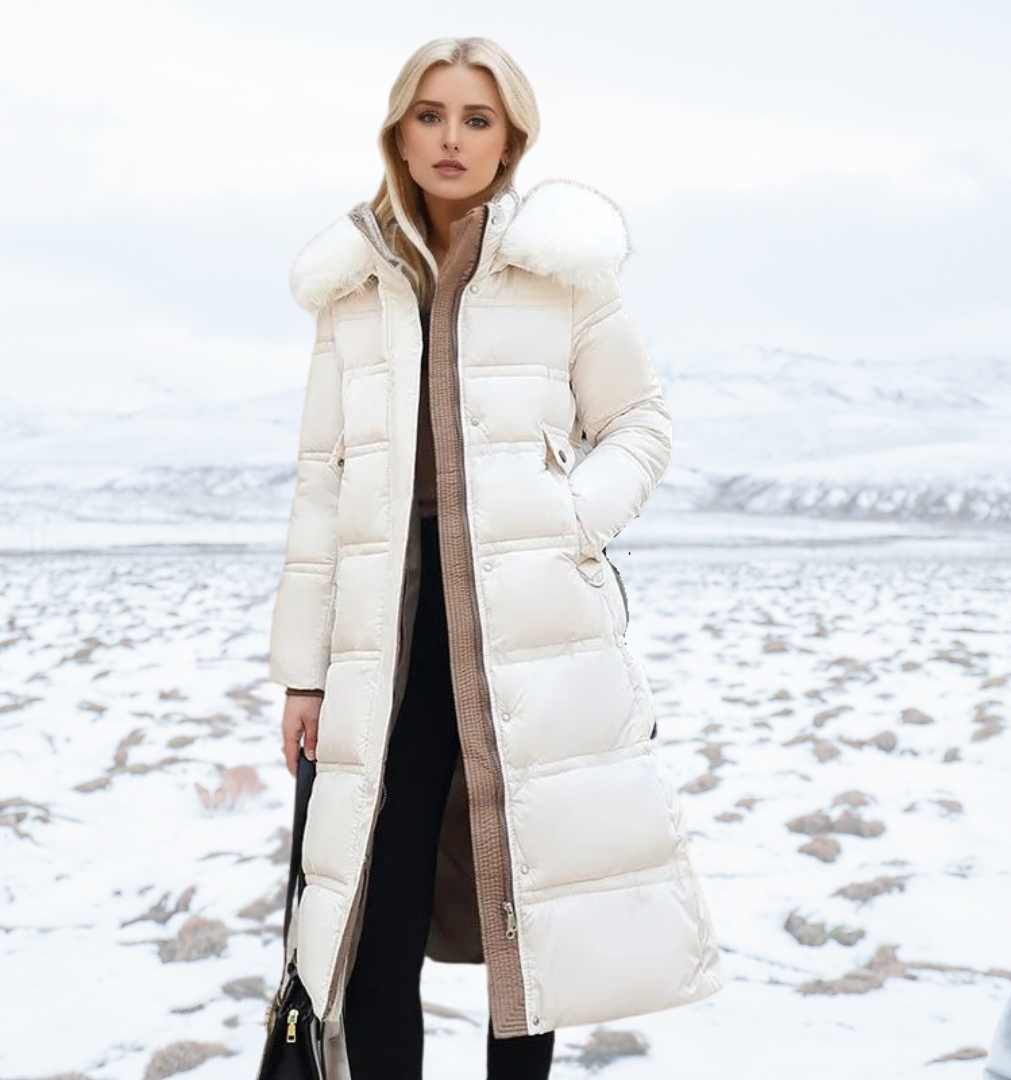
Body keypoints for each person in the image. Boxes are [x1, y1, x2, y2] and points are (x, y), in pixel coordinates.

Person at [270, 36, 724, 1080]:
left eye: (477, 118)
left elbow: (642, 422)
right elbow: (322, 482)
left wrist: (571, 522)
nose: (451, 137)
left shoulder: (561, 274)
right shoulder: (353, 288)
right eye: (431, 114)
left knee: (533, 923)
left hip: (529, 636)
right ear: (399, 129)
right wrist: (301, 673)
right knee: (369, 933)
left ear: (511, 139)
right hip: (387, 642)